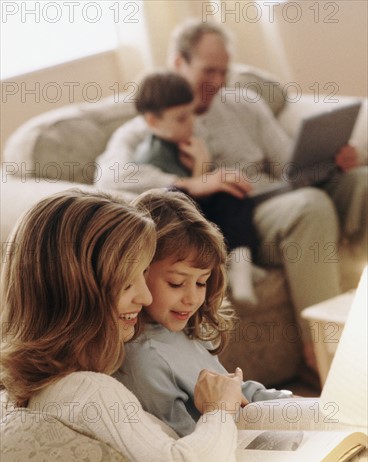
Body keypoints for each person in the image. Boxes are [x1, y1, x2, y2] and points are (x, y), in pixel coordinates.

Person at [96, 19, 367, 370]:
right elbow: (108, 177)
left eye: (223, 72)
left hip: (275, 190)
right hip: (239, 215)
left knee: (361, 182)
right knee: (309, 207)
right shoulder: (149, 123)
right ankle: (325, 350)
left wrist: (334, 159)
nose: (218, 82)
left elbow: (289, 164)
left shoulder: (244, 103)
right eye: (208, 71)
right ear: (179, 63)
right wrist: (194, 183)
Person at [0, 189, 248, 462]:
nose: (145, 297)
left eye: (143, 277)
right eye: (128, 284)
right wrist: (218, 410)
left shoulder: (48, 381)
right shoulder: (88, 391)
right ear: (76, 291)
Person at [115, 190, 293, 438]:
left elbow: (239, 391)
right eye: (176, 283)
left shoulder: (186, 327)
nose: (192, 298)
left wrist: (296, 405)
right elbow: (186, 444)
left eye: (201, 283)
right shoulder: (143, 361)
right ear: (139, 272)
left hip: (244, 433)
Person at [134, 69, 261, 302]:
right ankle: (231, 267)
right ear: (153, 121)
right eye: (182, 118)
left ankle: (241, 263)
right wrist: (201, 168)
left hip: (199, 215)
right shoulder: (153, 156)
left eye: (192, 114)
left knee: (233, 191)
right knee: (179, 195)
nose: (191, 123)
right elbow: (176, 206)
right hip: (177, 227)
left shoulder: (184, 143)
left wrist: (206, 171)